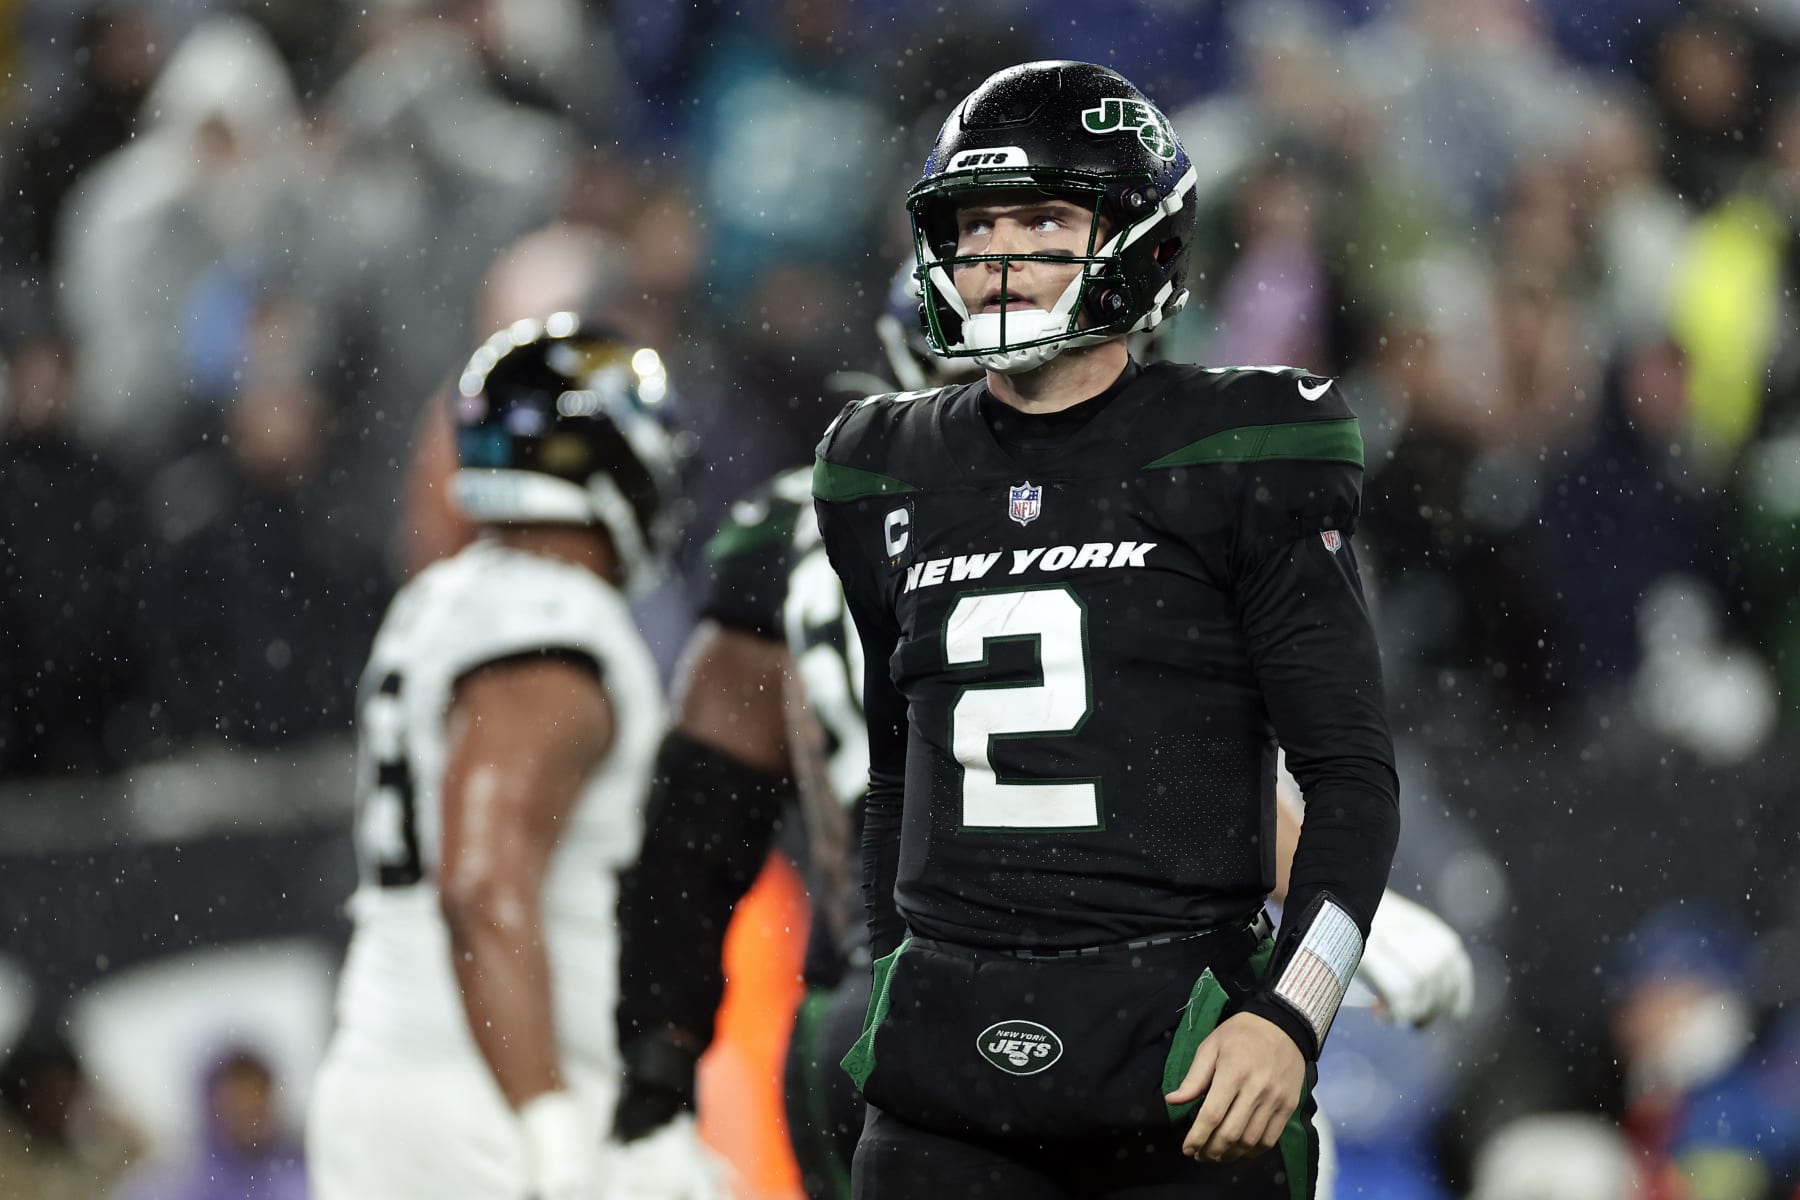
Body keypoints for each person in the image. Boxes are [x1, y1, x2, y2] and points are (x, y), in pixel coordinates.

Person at [812, 61, 1401, 1199]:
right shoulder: (880, 468)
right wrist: (891, 968)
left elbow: (1350, 778)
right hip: (945, 1080)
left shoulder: (1238, 451)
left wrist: (1292, 1012)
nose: (999, 258)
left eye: (1043, 220)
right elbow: (899, 771)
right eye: (978, 225)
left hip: (1176, 1068)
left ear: (1143, 240)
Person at [306, 315, 680, 1200]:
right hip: (499, 1096)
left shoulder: (440, 598)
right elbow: (480, 883)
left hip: (387, 1070)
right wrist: (548, 1123)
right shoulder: (550, 622)